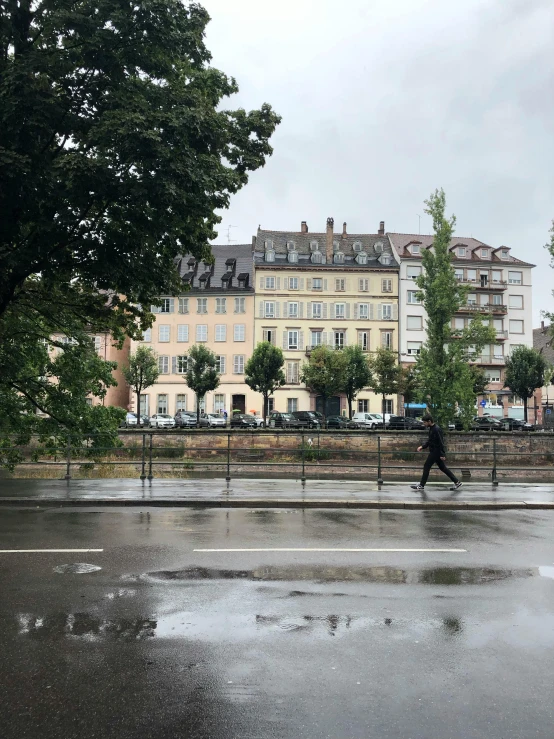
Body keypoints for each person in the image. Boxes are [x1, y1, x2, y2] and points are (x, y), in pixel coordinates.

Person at [411, 414, 462, 491]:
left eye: (425, 422)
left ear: (429, 421)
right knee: (443, 468)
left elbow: (441, 442)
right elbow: (430, 440)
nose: (424, 424)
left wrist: (442, 454)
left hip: (436, 452)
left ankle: (421, 485)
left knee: (426, 466)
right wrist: (422, 447)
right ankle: (457, 482)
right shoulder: (432, 429)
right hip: (435, 451)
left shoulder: (436, 429)